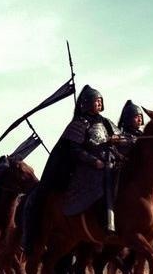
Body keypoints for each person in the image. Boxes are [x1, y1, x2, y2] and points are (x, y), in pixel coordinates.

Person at [24, 85, 118, 253]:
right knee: (101, 186)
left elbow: (119, 141)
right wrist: (93, 161)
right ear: (87, 103)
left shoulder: (107, 123)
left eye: (100, 100)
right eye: (95, 101)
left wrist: (118, 142)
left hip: (108, 164)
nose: (98, 103)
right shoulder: (79, 124)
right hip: (87, 169)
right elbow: (74, 150)